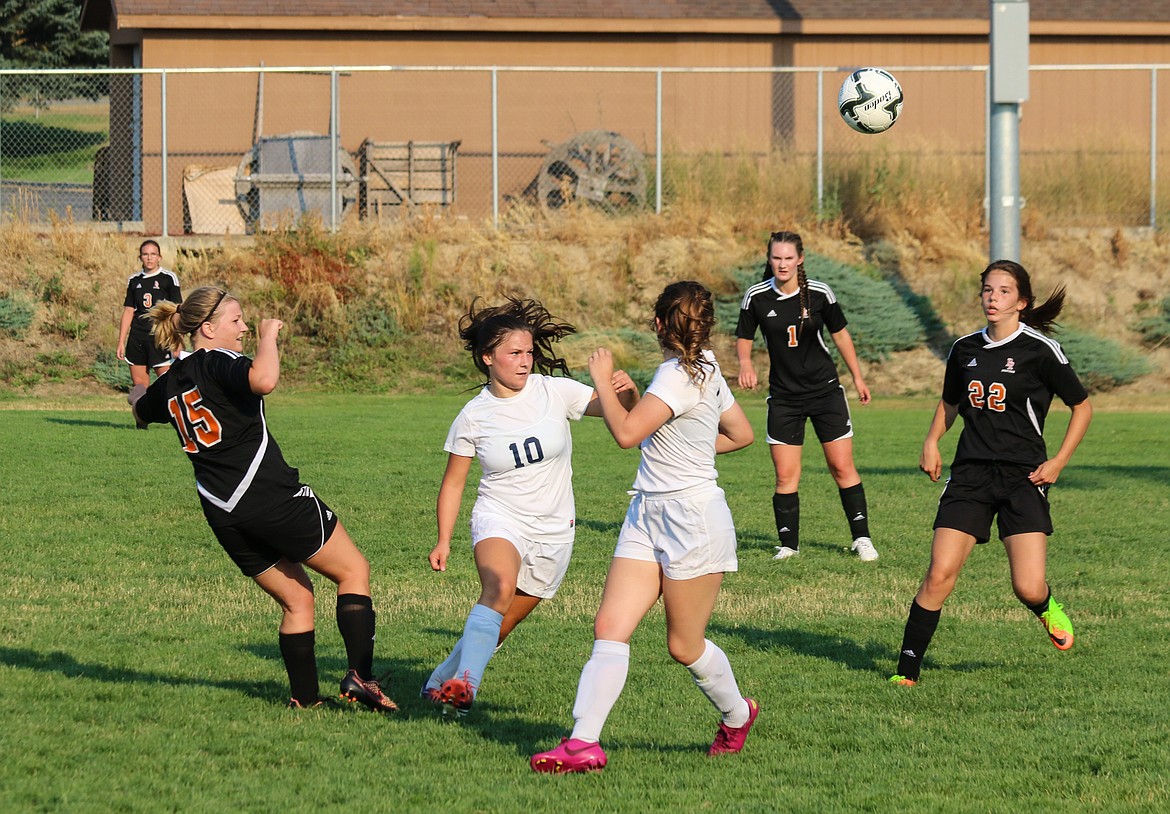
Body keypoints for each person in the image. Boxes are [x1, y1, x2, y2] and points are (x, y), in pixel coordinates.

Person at [129, 286, 397, 712]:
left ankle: (305, 701)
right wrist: (270, 336)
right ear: (209, 328)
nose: (244, 328)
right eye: (236, 321)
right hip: (272, 496)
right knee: (354, 571)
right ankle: (361, 677)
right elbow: (264, 380)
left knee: (298, 599)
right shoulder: (220, 360)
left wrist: (138, 399)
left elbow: (143, 412)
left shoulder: (174, 380)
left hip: (223, 514)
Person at [531, 281, 757, 774]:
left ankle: (738, 714)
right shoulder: (703, 367)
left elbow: (628, 434)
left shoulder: (678, 375)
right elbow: (740, 434)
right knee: (610, 628)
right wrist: (634, 395)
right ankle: (581, 743)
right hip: (647, 513)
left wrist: (604, 378)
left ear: (658, 325)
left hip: (692, 520)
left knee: (684, 646)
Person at [425, 297, 639, 717]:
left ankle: (440, 682)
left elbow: (617, 414)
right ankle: (467, 687)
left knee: (501, 623)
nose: (525, 362)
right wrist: (444, 539)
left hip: (555, 531)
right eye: (514, 354)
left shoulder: (553, 391)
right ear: (488, 357)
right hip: (500, 517)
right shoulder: (473, 416)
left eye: (528, 353)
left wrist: (628, 392)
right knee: (498, 589)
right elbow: (454, 483)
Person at [889, 260, 1093, 687]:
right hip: (970, 475)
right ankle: (906, 671)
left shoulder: (1040, 351)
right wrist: (931, 441)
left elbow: (1082, 407)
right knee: (939, 573)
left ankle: (1046, 608)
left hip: (1025, 477)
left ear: (1021, 302)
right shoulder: (964, 349)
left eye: (1003, 292)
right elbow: (950, 404)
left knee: (1028, 586)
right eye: (987, 290)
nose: (992, 298)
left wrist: (1058, 462)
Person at [735, 230, 878, 562]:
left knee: (841, 466)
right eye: (776, 258)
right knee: (786, 475)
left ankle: (862, 539)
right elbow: (744, 337)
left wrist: (857, 378)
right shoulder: (756, 297)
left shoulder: (818, 293)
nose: (782, 264)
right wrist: (745, 364)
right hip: (784, 399)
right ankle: (788, 546)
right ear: (768, 259)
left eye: (788, 258)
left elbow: (841, 336)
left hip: (826, 393)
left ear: (800, 259)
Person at [117, 240, 182, 429]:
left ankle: (179, 421)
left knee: (168, 383)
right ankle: (141, 422)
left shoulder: (168, 278)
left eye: (153, 254)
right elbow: (128, 311)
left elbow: (177, 311)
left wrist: (177, 338)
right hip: (137, 337)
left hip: (160, 336)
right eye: (145, 254)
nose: (149, 257)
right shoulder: (134, 280)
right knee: (140, 386)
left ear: (159, 257)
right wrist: (121, 341)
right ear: (140, 257)